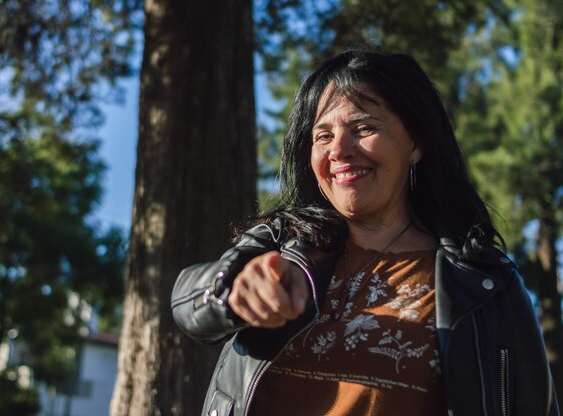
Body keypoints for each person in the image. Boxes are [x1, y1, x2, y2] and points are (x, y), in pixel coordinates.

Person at [171, 48, 559, 416]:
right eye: (322, 136)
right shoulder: (279, 242)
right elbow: (187, 305)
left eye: (363, 127)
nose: (339, 150)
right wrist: (232, 293)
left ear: (417, 142)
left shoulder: (484, 286)